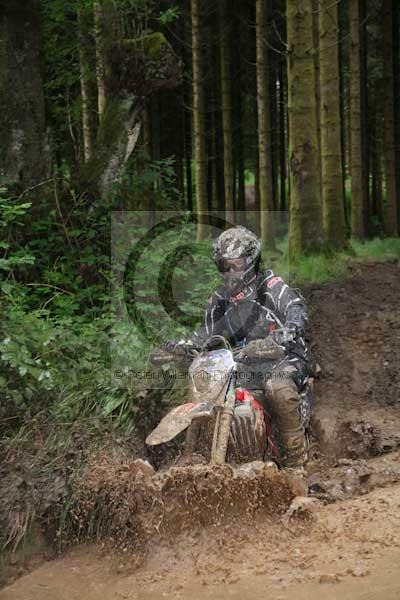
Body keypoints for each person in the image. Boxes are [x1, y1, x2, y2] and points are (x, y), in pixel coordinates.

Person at [165, 226, 313, 468]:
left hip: (285, 357)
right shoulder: (219, 298)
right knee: (210, 391)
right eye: (225, 266)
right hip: (243, 362)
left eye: (237, 264)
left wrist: (290, 329)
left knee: (278, 389)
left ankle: (297, 464)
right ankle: (202, 457)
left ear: (252, 261)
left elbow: (295, 307)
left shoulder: (271, 285)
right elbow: (204, 335)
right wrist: (183, 347)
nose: (231, 272)